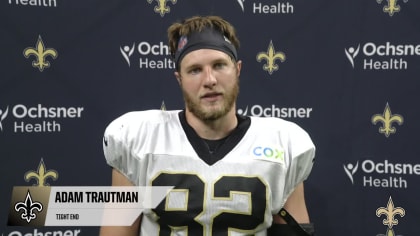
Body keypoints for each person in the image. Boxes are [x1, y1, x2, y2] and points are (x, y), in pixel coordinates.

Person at [100, 15, 316, 236]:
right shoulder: (139, 138)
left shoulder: (283, 143)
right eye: (195, 70)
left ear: (238, 69)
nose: (210, 79)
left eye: (219, 65)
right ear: (179, 78)